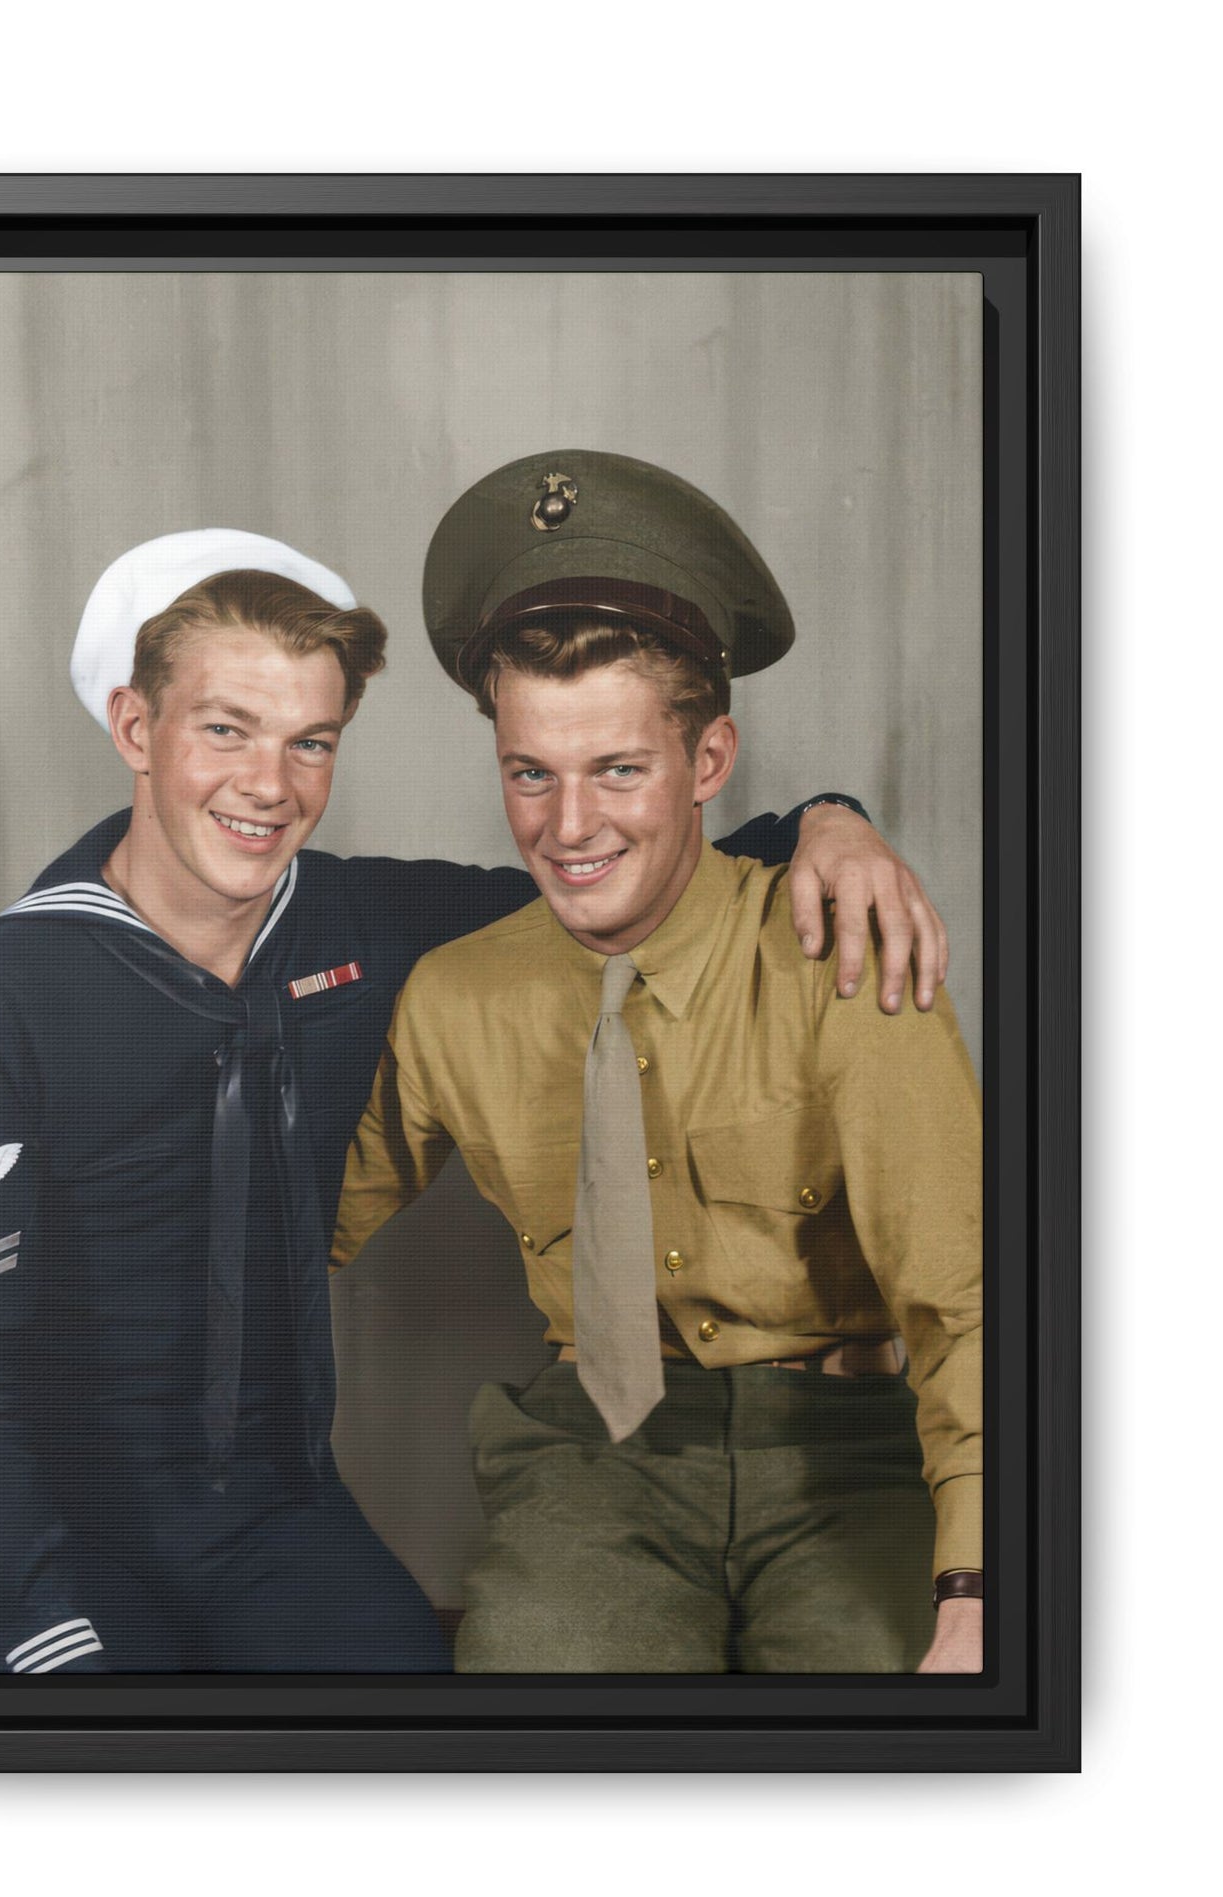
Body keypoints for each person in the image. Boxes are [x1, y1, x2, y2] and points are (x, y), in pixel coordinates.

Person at [0, 522, 951, 1674]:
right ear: (135, 728)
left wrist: (827, 821)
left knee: (420, 1726)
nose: (267, 784)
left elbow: (625, 873)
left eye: (309, 741)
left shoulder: (369, 924)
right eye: (225, 729)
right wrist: (33, 1603)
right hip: (54, 1532)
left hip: (275, 1520)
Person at [333, 451, 983, 1673]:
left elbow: (968, 1303)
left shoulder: (842, 950)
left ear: (709, 761)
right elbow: (295, 1229)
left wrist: (976, 1588)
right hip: (593, 1447)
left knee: (887, 1707)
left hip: (852, 1443)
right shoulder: (456, 994)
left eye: (618, 769)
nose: (567, 825)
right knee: (540, 1688)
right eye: (530, 772)